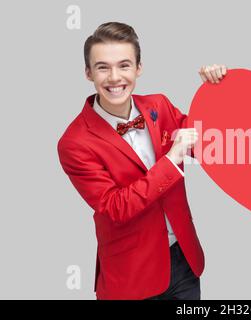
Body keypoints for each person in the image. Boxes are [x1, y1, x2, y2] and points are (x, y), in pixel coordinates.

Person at [57, 21, 227, 300]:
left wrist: (218, 93)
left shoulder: (158, 105)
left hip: (184, 261)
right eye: (103, 67)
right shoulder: (75, 142)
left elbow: (211, 146)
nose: (114, 77)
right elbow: (116, 207)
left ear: (139, 68)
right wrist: (172, 158)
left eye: (124, 65)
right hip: (131, 277)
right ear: (88, 73)